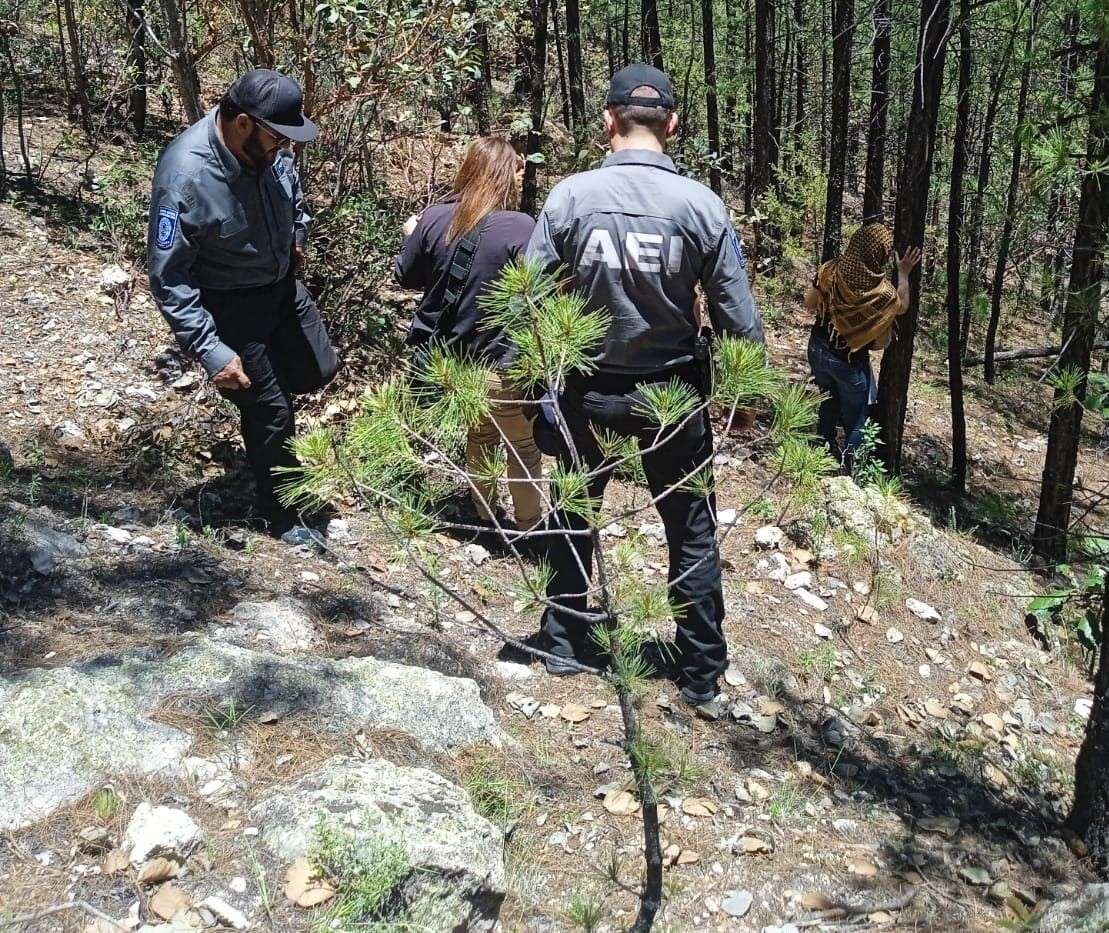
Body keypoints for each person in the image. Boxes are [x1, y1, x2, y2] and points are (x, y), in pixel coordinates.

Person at [525, 63, 764, 714]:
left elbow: (525, 300)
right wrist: (745, 399)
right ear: (673, 125)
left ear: (607, 122)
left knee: (573, 512)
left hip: (588, 389)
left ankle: (561, 641)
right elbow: (737, 315)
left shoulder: (570, 198)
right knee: (689, 526)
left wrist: (532, 387)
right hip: (674, 395)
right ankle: (700, 675)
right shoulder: (700, 206)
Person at [147, 69, 338, 545]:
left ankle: (269, 429)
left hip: (280, 287)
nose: (285, 148)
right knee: (271, 410)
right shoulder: (185, 177)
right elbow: (169, 278)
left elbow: (293, 198)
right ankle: (282, 513)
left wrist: (297, 235)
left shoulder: (272, 148)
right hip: (229, 303)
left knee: (318, 369)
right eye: (278, 137)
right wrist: (212, 352)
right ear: (243, 124)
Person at [394, 137, 542, 536]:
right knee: (522, 447)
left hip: (454, 362)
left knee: (479, 436)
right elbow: (537, 292)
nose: (520, 174)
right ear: (503, 175)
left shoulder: (435, 218)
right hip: (503, 360)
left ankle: (485, 516)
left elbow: (405, 276)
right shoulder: (521, 227)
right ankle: (529, 530)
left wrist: (415, 233)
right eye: (516, 168)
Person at [804, 223, 921, 467]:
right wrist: (904, 273)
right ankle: (854, 467)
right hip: (848, 360)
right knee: (857, 417)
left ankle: (821, 452)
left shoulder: (831, 270)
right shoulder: (883, 294)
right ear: (879, 255)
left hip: (817, 348)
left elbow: (810, 303)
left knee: (827, 399)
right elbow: (902, 306)